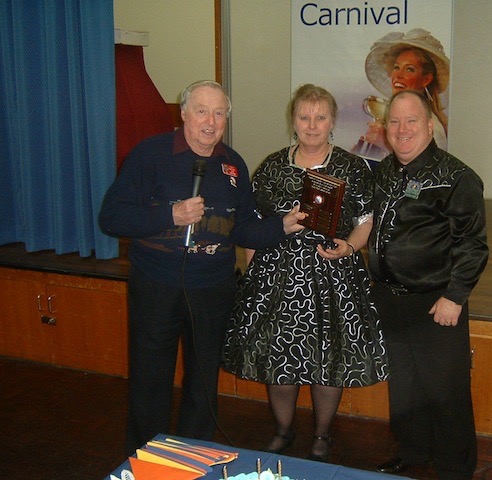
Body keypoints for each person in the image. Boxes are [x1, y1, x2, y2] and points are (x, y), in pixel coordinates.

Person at [98, 80, 306, 455]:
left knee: (202, 381)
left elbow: (242, 227)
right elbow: (112, 218)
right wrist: (171, 214)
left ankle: (193, 457)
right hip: (156, 286)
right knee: (150, 379)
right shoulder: (149, 155)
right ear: (183, 113)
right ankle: (147, 460)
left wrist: (282, 226)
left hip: (212, 289)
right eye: (201, 111)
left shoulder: (233, 165)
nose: (210, 121)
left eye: (219, 113)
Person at [222, 84, 388, 462]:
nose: (312, 125)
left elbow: (366, 220)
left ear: (332, 122)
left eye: (320, 117)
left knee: (326, 360)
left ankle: (322, 434)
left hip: (332, 274)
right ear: (292, 121)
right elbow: (253, 223)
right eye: (304, 117)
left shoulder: (351, 166)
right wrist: (250, 270)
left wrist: (349, 246)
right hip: (277, 276)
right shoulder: (273, 166)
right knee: (279, 358)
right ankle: (283, 430)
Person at [368, 90, 489, 479]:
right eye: (395, 122)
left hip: (436, 303)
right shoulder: (386, 170)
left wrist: (454, 297)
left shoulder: (457, 178)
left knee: (446, 392)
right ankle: (414, 451)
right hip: (391, 298)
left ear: (430, 125)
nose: (402, 130)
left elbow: (473, 245)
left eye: (411, 122)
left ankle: (455, 469)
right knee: (405, 388)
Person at [353, 28, 450, 160]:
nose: (398, 75)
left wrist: (385, 144)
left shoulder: (433, 129)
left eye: (409, 69)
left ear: (426, 79)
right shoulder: (389, 121)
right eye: (396, 67)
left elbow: (428, 174)